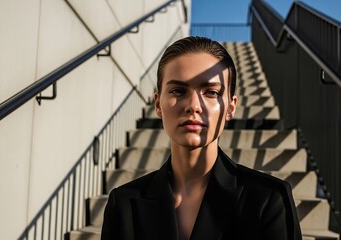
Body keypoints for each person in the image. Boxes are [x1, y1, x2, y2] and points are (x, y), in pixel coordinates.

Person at [101, 36, 301, 240]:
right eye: (178, 90)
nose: (193, 106)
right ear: (158, 104)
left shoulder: (269, 199)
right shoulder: (123, 203)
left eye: (211, 92)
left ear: (231, 107)